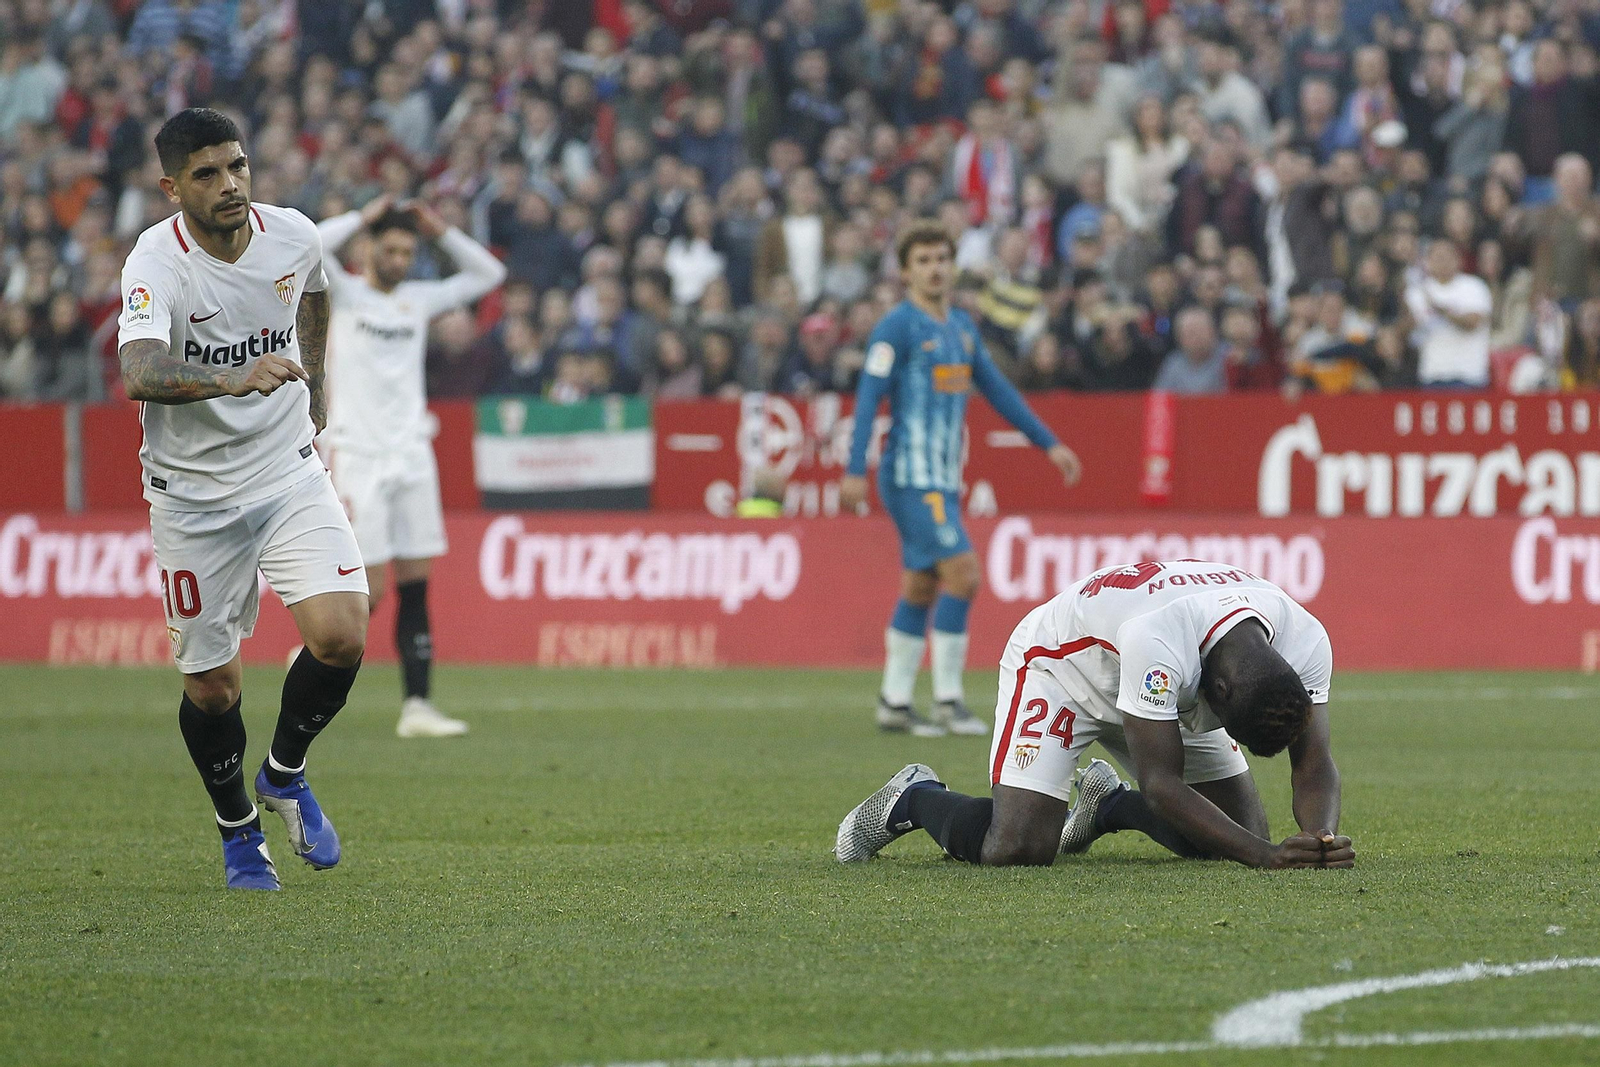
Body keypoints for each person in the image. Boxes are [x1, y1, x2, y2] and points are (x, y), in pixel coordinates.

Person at [116, 108, 369, 890]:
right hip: (192, 497)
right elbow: (139, 371)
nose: (229, 184)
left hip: (287, 469)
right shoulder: (155, 262)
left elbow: (314, 296)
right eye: (207, 173)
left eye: (237, 166)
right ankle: (238, 832)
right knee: (212, 686)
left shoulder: (293, 235)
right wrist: (233, 376)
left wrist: (315, 385)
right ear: (172, 187)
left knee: (342, 635)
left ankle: (284, 774)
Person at [836, 559, 1352, 871]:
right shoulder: (1159, 636)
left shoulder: (1305, 639)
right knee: (1016, 848)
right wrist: (1266, 857)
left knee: (1233, 835)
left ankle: (1107, 805)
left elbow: (1315, 762)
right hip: (1065, 668)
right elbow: (1162, 784)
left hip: (1164, 680)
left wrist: (1320, 838)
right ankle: (915, 796)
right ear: (1219, 691)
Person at [841, 220, 1081, 737]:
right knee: (965, 575)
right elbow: (867, 399)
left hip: (943, 481)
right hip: (910, 477)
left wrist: (1049, 443)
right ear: (906, 272)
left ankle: (894, 702)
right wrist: (854, 468)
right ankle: (949, 701)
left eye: (941, 259)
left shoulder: (962, 329)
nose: (935, 269)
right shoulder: (896, 328)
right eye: (923, 261)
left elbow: (1000, 392)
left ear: (953, 266)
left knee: (921, 585)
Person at [316, 194, 507, 738]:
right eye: (391, 250)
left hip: (412, 455)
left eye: (407, 252)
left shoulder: (418, 300)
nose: (400, 261)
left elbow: (490, 274)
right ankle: (314, 657)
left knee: (416, 584)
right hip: (358, 455)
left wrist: (440, 230)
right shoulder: (346, 293)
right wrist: (362, 216)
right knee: (370, 591)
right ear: (369, 250)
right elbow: (310, 245)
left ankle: (417, 706)